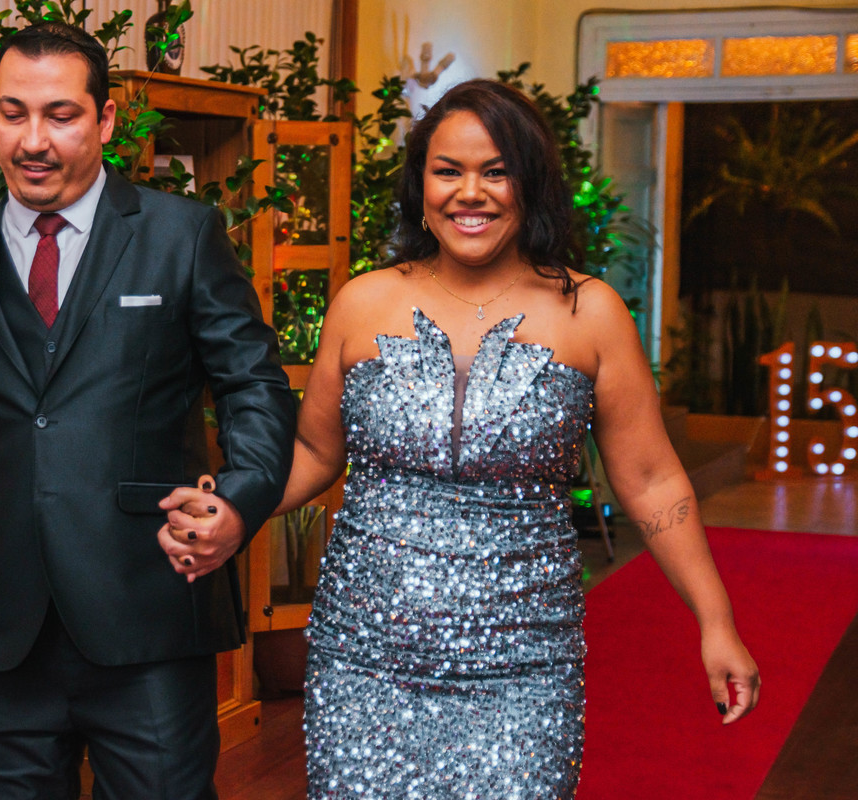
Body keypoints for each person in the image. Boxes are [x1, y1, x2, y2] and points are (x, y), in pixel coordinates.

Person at [164, 79, 760, 798]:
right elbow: (317, 454)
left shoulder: (591, 312)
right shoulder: (363, 301)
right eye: (448, 171)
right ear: (421, 185)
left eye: (496, 171)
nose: (469, 193)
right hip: (364, 661)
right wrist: (233, 506)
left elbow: (653, 480)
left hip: (524, 666)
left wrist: (716, 622)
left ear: (529, 184)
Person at [0, 22, 295, 800]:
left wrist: (238, 502)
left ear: (104, 121)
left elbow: (255, 387)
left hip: (150, 617)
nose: (33, 140)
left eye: (60, 115)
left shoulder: (181, 235)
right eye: (13, 113)